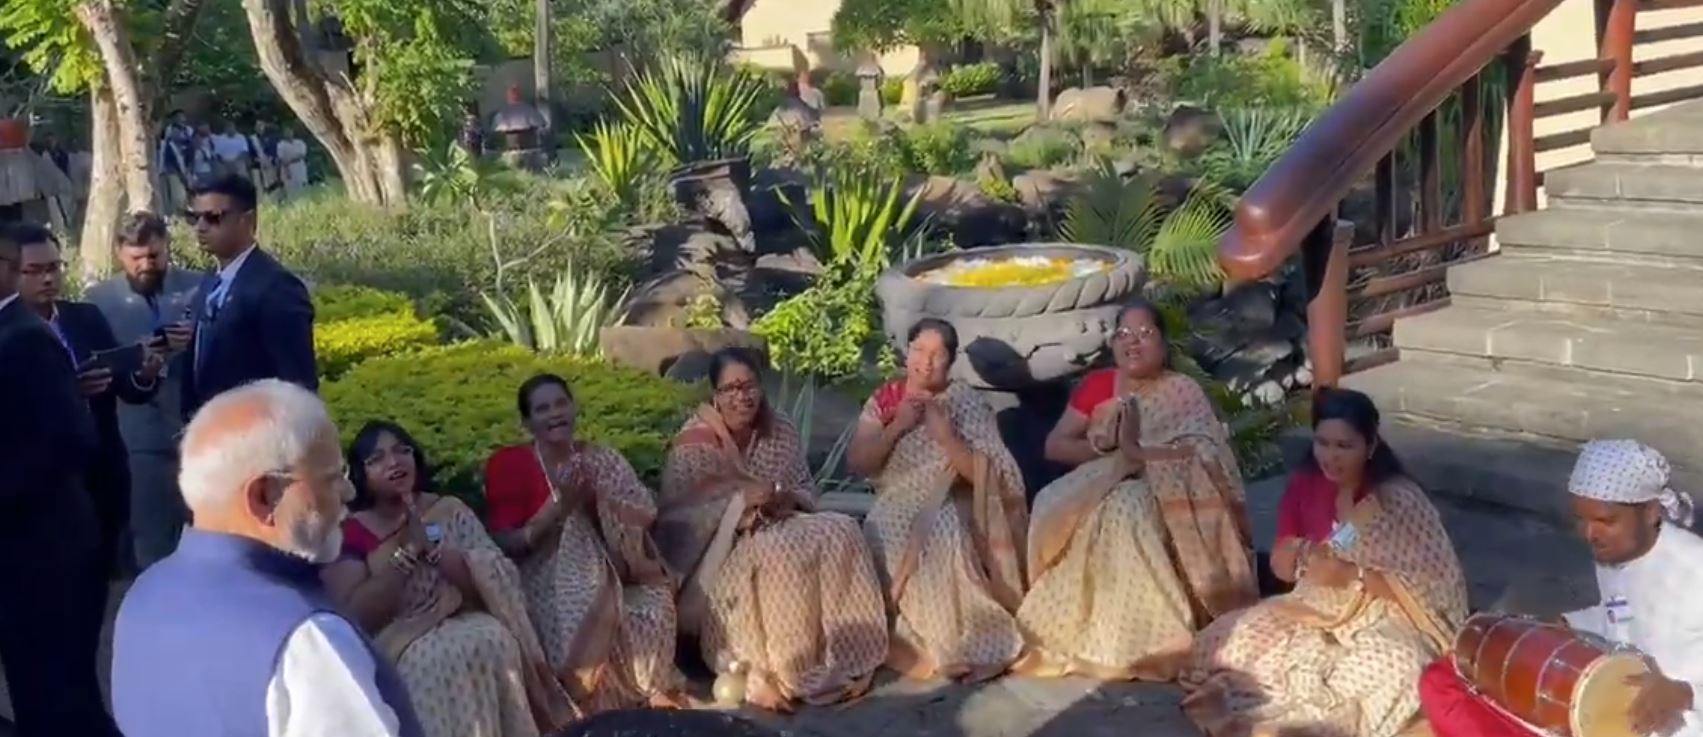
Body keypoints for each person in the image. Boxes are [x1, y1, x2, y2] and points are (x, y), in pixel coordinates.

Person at [112, 380, 424, 736]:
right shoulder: (308, 638)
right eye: (332, 478)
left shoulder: (143, 596)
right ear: (264, 496)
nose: (349, 492)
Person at [1179, 388, 1467, 737]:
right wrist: (1294, 556)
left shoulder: (1398, 500)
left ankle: (1317, 720)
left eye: (1344, 446)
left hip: (1389, 618)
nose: (1331, 456)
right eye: (1323, 443)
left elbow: (1434, 584)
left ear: (1370, 446)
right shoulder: (1307, 484)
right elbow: (1288, 563)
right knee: (1231, 639)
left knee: (1400, 665)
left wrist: (1353, 575)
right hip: (1316, 605)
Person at [1016, 300, 1257, 679]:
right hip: (1101, 478)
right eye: (1123, 334)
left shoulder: (1182, 391)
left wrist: (1146, 457)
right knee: (1059, 502)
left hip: (1167, 487)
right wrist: (1109, 451)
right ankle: (1079, 630)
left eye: (1145, 333)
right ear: (1113, 344)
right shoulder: (1099, 385)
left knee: (1127, 508)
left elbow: (1205, 450)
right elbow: (1055, 445)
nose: (1133, 342)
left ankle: (1150, 641)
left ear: (1163, 343)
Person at [1419, 439, 1703, 737]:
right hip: (1610, 702)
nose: (1590, 534)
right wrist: (1566, 624)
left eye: (1606, 520)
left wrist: (1684, 693)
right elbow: (1618, 614)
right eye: (1581, 519)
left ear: (1651, 512)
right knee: (1446, 680)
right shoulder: (1617, 554)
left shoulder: (1694, 570)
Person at [658, 349, 888, 710]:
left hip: (785, 519)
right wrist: (738, 505)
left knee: (841, 529)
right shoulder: (695, 445)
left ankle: (840, 653)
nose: (742, 396)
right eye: (731, 388)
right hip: (723, 546)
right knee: (777, 554)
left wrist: (785, 498)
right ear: (715, 395)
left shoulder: (779, 429)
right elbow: (678, 519)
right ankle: (784, 668)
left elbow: (805, 486)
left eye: (749, 386)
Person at [325, 420, 575, 737]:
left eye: (402, 451)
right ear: (360, 474)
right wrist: (408, 551)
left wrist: (437, 553)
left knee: (495, 638)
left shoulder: (448, 509)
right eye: (377, 458)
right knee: (431, 661)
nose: (394, 462)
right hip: (402, 639)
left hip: (469, 620)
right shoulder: (351, 532)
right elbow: (355, 614)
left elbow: (496, 579)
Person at [484, 375, 688, 713]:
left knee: (653, 602)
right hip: (543, 570)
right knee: (579, 605)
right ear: (527, 423)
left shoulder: (602, 458)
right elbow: (505, 542)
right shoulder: (511, 465)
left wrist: (599, 502)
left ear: (573, 407)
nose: (555, 414)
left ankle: (648, 686)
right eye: (542, 409)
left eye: (560, 404)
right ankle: (590, 699)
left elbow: (644, 510)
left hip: (611, 562)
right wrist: (558, 509)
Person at [847, 319, 1029, 682]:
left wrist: (946, 438)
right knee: (890, 529)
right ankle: (918, 636)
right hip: (895, 500)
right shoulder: (887, 399)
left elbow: (991, 474)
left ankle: (958, 643)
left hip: (953, 497)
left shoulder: (965, 401)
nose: (926, 363)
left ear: (951, 360)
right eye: (919, 350)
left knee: (943, 527)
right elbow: (858, 464)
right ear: (907, 351)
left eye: (937, 354)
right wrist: (897, 426)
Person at [0, 225, 121, 737]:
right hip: (21, 546)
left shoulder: (25, 337)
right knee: (33, 684)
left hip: (42, 546)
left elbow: (67, 442)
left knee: (58, 689)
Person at [16, 222, 167, 577]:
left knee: (109, 579)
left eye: (54, 267)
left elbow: (124, 386)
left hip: (103, 477)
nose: (47, 279)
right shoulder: (9, 334)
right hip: (42, 488)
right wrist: (71, 392)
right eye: (34, 271)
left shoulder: (84, 317)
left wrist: (143, 375)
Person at [88, 211, 204, 569]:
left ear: (167, 246)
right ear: (119, 253)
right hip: (138, 436)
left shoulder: (201, 288)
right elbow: (96, 363)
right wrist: (138, 357)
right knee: (152, 539)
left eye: (154, 255)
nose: (146, 265)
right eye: (136, 258)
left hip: (200, 430)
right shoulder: (97, 301)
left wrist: (196, 340)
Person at [181, 174, 317, 420]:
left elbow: (297, 385)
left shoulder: (277, 287)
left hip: (257, 430)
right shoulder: (210, 281)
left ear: (248, 220)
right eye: (194, 217)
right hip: (210, 430)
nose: (201, 227)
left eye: (213, 217)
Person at [276, 126, 310, 197]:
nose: (288, 134)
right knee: (291, 190)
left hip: (300, 167)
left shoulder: (300, 143)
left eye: (290, 132)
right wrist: (287, 169)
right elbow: (282, 159)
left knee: (302, 187)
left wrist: (290, 160)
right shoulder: (281, 145)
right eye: (286, 132)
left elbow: (302, 155)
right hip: (289, 169)